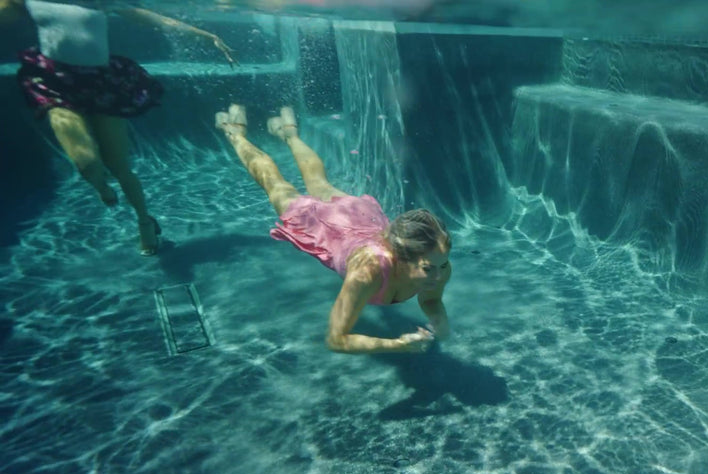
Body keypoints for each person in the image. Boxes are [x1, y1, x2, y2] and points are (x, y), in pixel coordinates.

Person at [1, 0, 237, 255]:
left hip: (100, 83)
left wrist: (205, 35)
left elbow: (150, 18)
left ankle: (145, 221)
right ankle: (102, 186)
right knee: (86, 162)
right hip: (54, 83)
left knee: (120, 167)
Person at [215, 104, 452, 354]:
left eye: (443, 266)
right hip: (325, 227)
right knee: (275, 184)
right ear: (400, 257)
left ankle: (290, 134)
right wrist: (397, 345)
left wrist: (440, 319)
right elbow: (337, 339)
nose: (440, 276)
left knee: (318, 182)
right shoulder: (367, 271)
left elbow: (432, 300)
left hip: (358, 217)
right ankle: (235, 134)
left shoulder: (437, 263)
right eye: (428, 269)